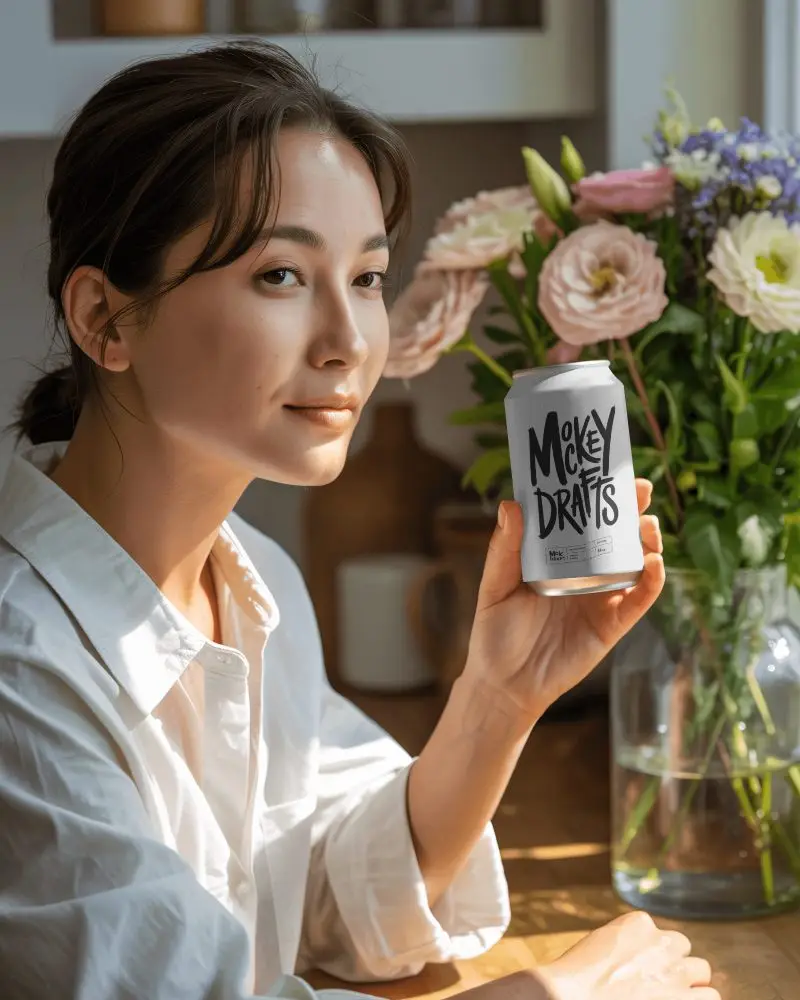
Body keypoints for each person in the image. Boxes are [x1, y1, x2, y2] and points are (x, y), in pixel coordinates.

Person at [0, 41, 720, 1000]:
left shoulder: (252, 581)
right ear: (106, 319)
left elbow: (323, 893)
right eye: (283, 277)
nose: (348, 342)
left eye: (369, 279)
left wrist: (500, 698)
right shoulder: (21, 667)